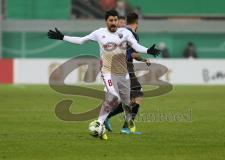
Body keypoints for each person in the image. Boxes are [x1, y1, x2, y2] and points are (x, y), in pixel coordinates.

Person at [47, 10, 160, 140]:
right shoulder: (99, 33)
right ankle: (99, 123)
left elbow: (136, 46)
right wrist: (63, 37)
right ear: (106, 21)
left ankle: (129, 119)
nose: (113, 23)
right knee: (113, 96)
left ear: (118, 21)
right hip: (107, 72)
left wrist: (148, 50)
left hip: (123, 73)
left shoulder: (125, 33)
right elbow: (81, 40)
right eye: (111, 20)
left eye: (115, 20)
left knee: (127, 103)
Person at [104, 12, 151, 134]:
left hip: (117, 66)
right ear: (137, 22)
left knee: (129, 99)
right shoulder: (132, 34)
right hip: (125, 67)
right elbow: (132, 53)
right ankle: (125, 127)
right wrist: (144, 58)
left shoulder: (121, 32)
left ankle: (107, 117)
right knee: (137, 95)